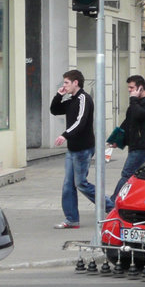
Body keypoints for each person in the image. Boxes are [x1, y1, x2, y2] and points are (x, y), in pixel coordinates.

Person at [50, 69, 113, 229]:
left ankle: (111, 207)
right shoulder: (71, 100)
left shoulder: (84, 98)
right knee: (68, 185)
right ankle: (72, 219)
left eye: (66, 83)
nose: (64, 85)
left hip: (83, 148)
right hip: (72, 149)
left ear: (75, 83)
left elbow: (81, 121)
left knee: (81, 183)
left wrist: (65, 135)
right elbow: (55, 110)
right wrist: (59, 95)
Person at [110, 75, 145, 201]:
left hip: (143, 145)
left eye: (132, 88)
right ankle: (138, 200)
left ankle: (113, 201)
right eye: (129, 88)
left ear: (140, 88)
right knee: (137, 175)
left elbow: (138, 115)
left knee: (127, 174)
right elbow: (128, 123)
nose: (129, 90)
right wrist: (117, 140)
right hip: (135, 144)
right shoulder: (136, 103)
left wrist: (133, 100)